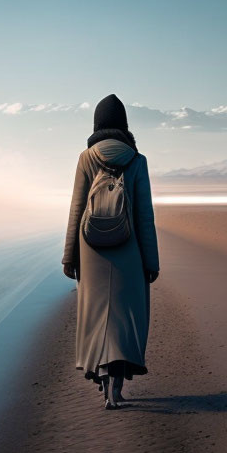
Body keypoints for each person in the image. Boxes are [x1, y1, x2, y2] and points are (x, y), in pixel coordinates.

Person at [62, 93, 160, 410]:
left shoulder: (86, 158)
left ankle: (102, 382)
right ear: (125, 126)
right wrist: (151, 262)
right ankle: (116, 389)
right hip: (129, 250)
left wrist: (69, 256)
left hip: (91, 252)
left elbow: (76, 210)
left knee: (96, 319)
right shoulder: (137, 160)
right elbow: (145, 216)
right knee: (124, 320)